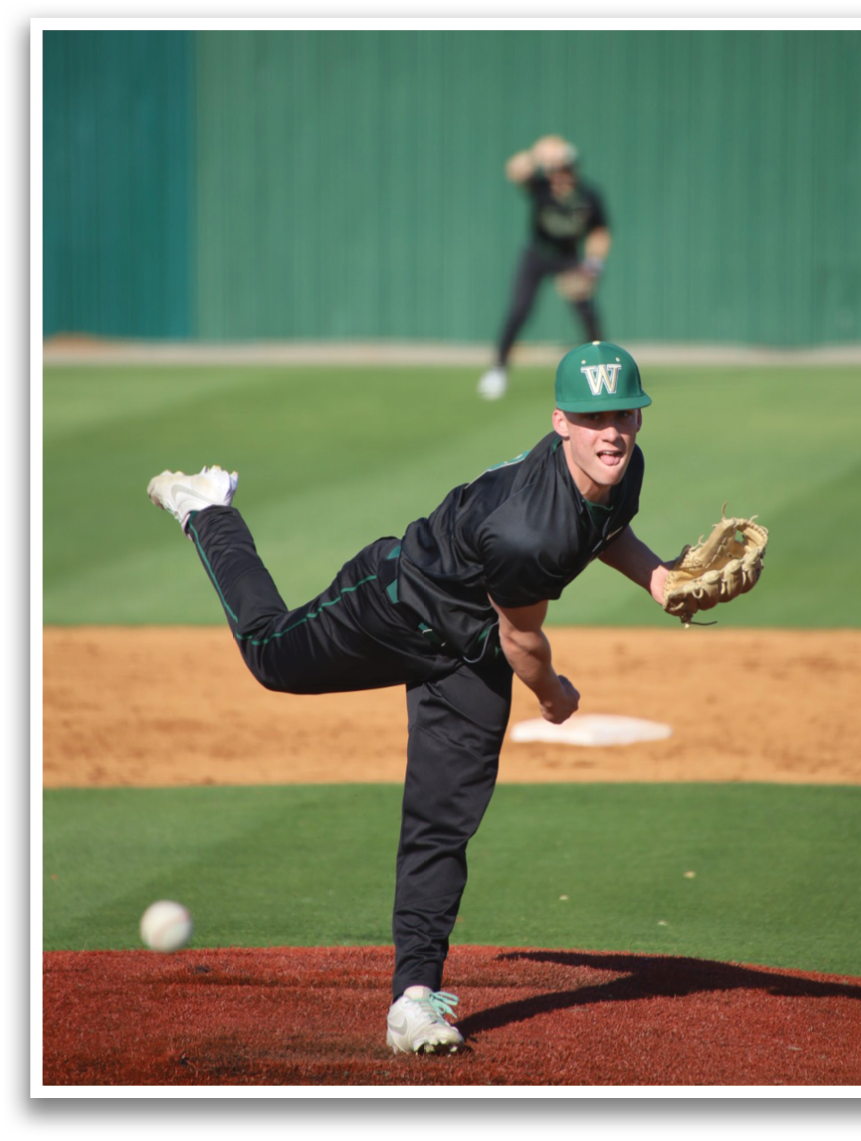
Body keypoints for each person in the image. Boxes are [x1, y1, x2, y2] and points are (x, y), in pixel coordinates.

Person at [147, 340, 671, 1055]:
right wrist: (552, 697)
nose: (611, 432)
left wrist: (659, 579)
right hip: (395, 605)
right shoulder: (525, 529)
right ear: (560, 422)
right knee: (270, 656)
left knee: (442, 821)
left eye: (623, 415)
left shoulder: (623, 467)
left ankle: (413, 999)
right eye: (592, 418)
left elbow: (604, 529)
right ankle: (207, 509)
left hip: (470, 654)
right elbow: (523, 641)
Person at [477, 136, 611, 401]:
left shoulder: (588, 196)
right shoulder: (541, 188)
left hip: (568, 258)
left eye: (565, 169)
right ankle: (498, 370)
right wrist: (538, 154)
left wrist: (592, 266)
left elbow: (600, 232)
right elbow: (515, 170)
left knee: (588, 315)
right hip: (537, 255)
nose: (560, 176)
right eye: (555, 170)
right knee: (519, 310)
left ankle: (605, 369)